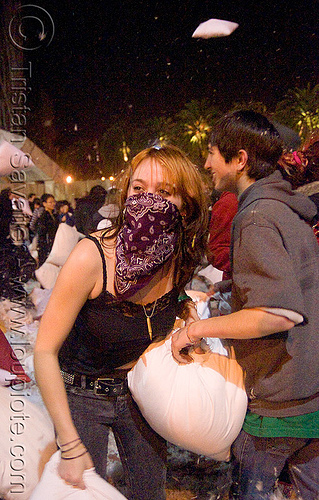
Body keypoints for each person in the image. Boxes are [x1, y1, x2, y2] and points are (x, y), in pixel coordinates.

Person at [34, 144, 208, 499]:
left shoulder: (175, 254)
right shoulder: (91, 257)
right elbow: (43, 351)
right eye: (139, 189)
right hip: (81, 396)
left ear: (186, 205)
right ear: (126, 193)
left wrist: (185, 310)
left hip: (140, 394)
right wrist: (68, 443)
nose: (148, 201)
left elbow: (173, 297)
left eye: (164, 192)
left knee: (150, 492)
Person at [171, 110, 319, 500]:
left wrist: (195, 330)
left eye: (212, 153)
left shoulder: (256, 216)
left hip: (279, 401)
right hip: (309, 386)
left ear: (240, 159)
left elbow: (276, 313)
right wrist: (233, 291)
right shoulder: (286, 208)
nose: (206, 164)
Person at [36, 193, 58, 266]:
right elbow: (41, 232)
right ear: (44, 204)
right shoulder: (44, 216)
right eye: (50, 202)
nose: (53, 204)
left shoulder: (54, 215)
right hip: (46, 244)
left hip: (53, 243)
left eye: (54, 202)